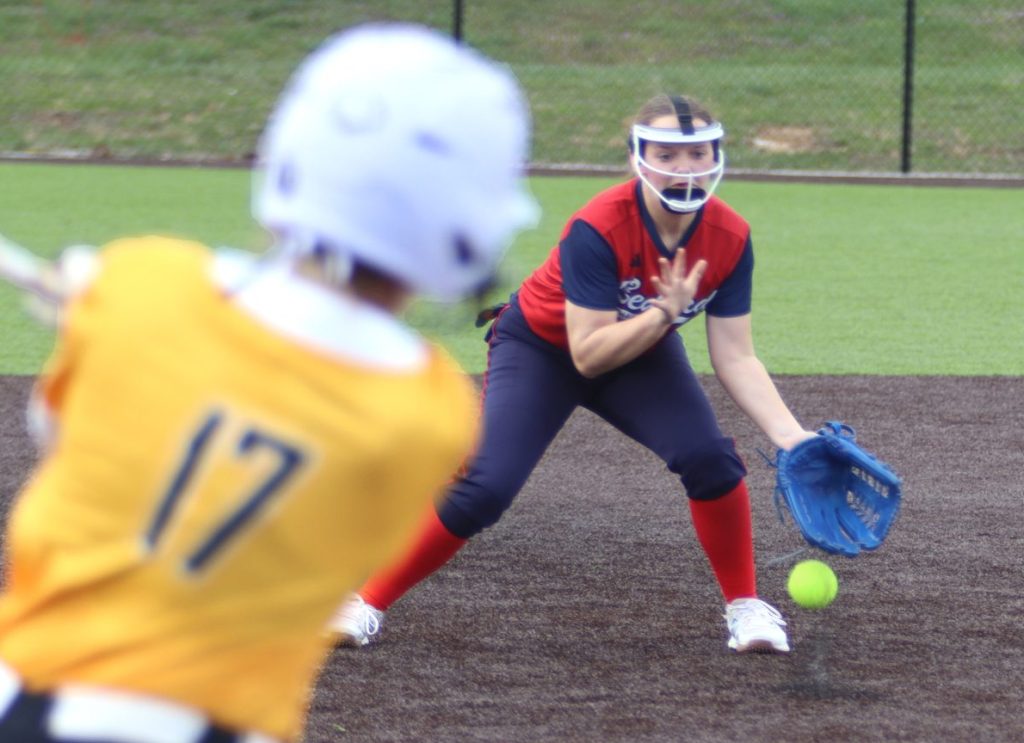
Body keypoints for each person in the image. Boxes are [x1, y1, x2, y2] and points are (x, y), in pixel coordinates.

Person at [0, 23, 537, 743]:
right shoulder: (434, 406)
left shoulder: (145, 280)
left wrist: (106, 309)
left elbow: (61, 439)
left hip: (26, 700)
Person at [331, 93, 818, 655]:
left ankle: (746, 606)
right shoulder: (601, 224)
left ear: (717, 157)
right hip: (542, 349)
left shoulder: (729, 236)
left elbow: (735, 355)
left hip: (641, 350)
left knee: (711, 460)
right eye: (667, 154)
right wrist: (662, 313)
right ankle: (364, 603)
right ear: (637, 158)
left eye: (698, 153)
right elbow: (587, 354)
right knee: (485, 489)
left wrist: (792, 437)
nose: (685, 168)